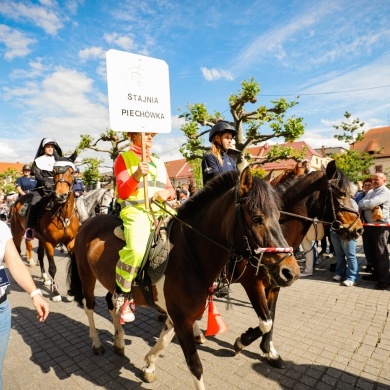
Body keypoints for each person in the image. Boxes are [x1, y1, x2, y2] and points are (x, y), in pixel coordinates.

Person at [114, 132, 176, 323]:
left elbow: (172, 190)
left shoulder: (159, 162)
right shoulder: (123, 158)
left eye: (152, 134)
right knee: (136, 249)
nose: (150, 137)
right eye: (145, 134)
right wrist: (136, 174)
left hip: (161, 210)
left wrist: (166, 193)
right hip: (136, 211)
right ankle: (123, 295)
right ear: (133, 136)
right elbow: (123, 193)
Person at [0, 220, 49, 387]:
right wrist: (23, 190)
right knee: (34, 204)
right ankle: (29, 229)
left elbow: (15, 262)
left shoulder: (0, 227)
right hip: (30, 192)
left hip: (1, 307)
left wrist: (35, 293)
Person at [23, 138, 64, 241]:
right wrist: (45, 182)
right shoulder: (38, 161)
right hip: (42, 188)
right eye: (48, 147)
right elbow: (37, 175)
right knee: (34, 205)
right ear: (44, 148)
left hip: (57, 186)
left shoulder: (59, 161)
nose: (50, 149)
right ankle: (30, 229)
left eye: (52, 147)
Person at [358, 173, 390, 290]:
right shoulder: (372, 191)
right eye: (373, 179)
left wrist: (368, 204)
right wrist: (368, 204)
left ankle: (385, 280)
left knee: (381, 254)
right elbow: (360, 203)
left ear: (384, 180)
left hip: (381, 227)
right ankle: (376, 275)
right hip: (369, 226)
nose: (374, 181)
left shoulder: (385, 192)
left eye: (376, 179)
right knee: (371, 253)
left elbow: (369, 203)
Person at [331, 199, 360, 287]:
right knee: (339, 254)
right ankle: (340, 273)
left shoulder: (351, 202)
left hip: (347, 231)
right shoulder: (333, 201)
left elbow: (355, 216)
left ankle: (353, 278)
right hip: (334, 231)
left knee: (350, 255)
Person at [201, 121, 238, 185]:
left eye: (231, 138)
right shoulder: (210, 157)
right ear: (217, 138)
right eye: (227, 137)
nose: (230, 141)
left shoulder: (231, 160)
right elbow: (217, 181)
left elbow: (236, 181)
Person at [354, 178, 373, 272]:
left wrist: (363, 205)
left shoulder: (374, 194)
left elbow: (371, 205)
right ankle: (369, 263)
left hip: (375, 224)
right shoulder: (360, 195)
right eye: (366, 185)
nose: (367, 187)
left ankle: (375, 264)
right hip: (363, 224)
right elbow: (356, 206)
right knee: (366, 245)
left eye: (369, 185)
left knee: (375, 246)